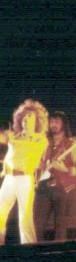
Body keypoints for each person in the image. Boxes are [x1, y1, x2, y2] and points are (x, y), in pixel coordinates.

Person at [0, 99, 49, 245]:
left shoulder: (40, 139)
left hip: (25, 179)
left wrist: (11, 139)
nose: (26, 121)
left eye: (30, 118)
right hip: (9, 178)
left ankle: (29, 249)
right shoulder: (14, 136)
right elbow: (9, 150)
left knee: (25, 217)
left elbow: (29, 151)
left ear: (37, 121)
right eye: (24, 118)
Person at [35, 111, 76, 242]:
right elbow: (39, 163)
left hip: (63, 189)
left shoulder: (72, 144)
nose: (53, 124)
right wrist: (39, 165)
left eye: (57, 122)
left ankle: (59, 253)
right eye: (51, 122)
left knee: (60, 228)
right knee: (37, 226)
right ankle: (36, 252)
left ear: (63, 124)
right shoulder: (44, 144)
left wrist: (65, 169)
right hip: (44, 189)